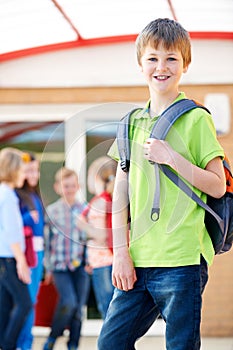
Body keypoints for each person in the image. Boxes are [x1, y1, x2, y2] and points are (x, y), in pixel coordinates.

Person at [98, 18, 226, 350]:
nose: (161, 67)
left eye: (171, 58)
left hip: (182, 260)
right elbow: (120, 193)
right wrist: (120, 253)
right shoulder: (130, 123)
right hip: (137, 260)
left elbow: (217, 186)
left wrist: (172, 158)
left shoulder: (197, 119)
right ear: (141, 64)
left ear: (185, 64)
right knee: (111, 343)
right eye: (153, 58)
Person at [43, 167, 90, 350]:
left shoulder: (85, 210)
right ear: (57, 187)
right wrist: (47, 268)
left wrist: (90, 262)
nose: (69, 189)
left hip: (80, 266)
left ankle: (73, 344)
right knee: (68, 302)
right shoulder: (52, 211)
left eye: (72, 186)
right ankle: (53, 337)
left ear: (78, 186)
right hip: (59, 266)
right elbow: (47, 242)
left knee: (78, 309)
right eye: (65, 186)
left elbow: (89, 238)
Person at [0, 147, 32, 350]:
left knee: (4, 306)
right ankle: (8, 345)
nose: (25, 175)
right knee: (24, 303)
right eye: (22, 170)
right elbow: (12, 233)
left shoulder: (2, 193)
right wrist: (22, 262)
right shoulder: (8, 197)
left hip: (3, 259)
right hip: (10, 259)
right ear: (12, 170)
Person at [78, 156, 117, 319]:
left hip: (103, 261)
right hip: (103, 260)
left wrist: (81, 225)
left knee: (107, 307)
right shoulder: (108, 200)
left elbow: (103, 235)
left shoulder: (101, 202)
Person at [15, 152, 45, 350]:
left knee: (31, 301)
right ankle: (21, 344)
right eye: (29, 171)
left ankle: (25, 343)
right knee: (25, 302)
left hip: (38, 255)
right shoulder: (16, 195)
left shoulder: (35, 195)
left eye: (36, 170)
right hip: (25, 255)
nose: (34, 175)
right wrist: (27, 219)